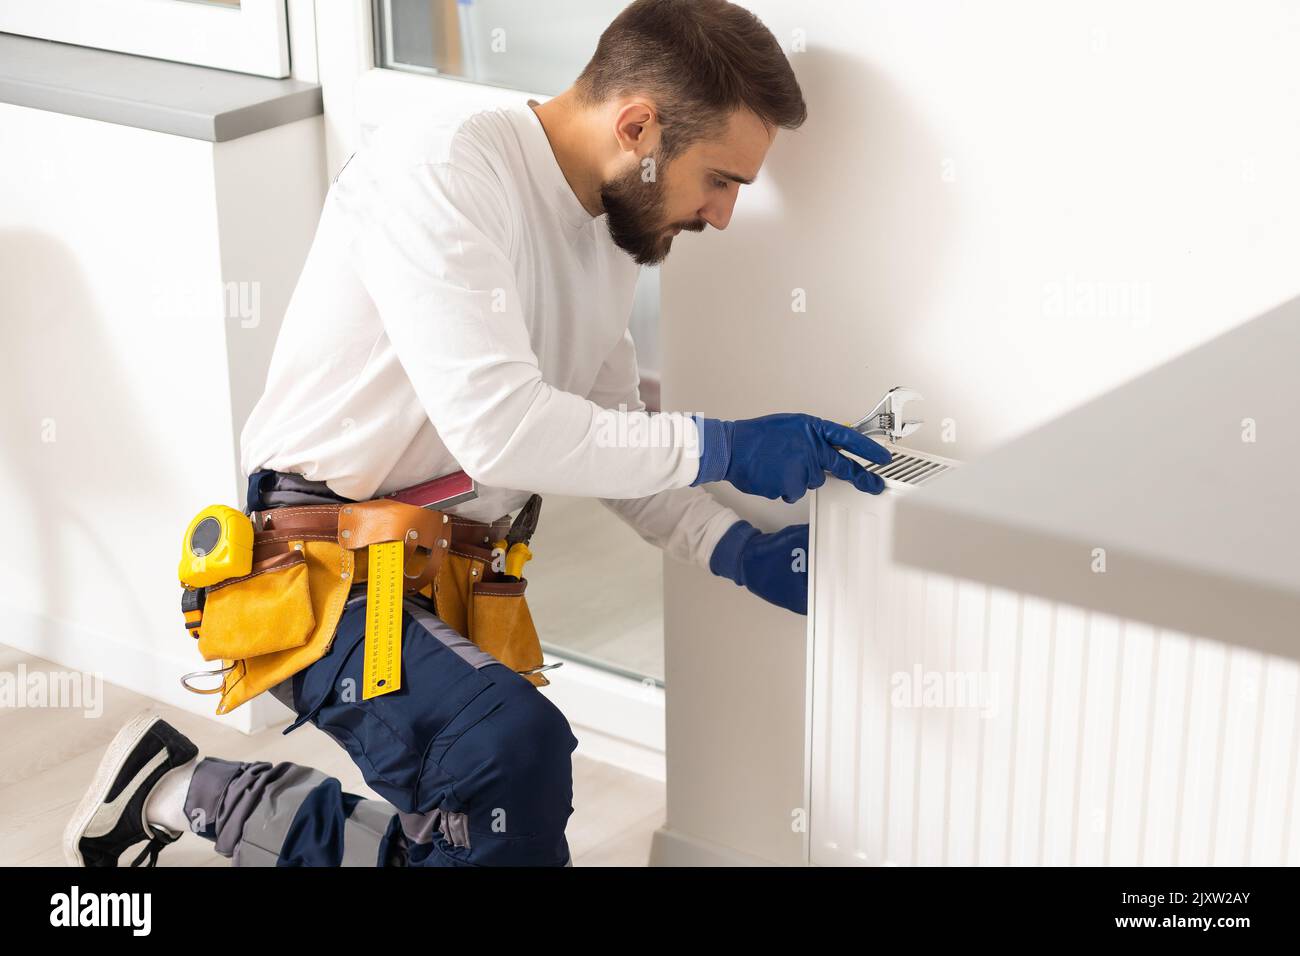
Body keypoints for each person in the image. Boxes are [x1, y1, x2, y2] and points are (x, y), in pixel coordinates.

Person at [65, 0, 891, 868]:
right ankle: (199, 795)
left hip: (451, 572)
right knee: (507, 755)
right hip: (327, 563)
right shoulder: (444, 170)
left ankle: (182, 792)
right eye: (721, 179)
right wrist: (724, 443)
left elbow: (606, 443)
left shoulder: (605, 240)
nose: (721, 215)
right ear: (639, 125)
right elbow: (501, 429)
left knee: (480, 825)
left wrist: (735, 548)